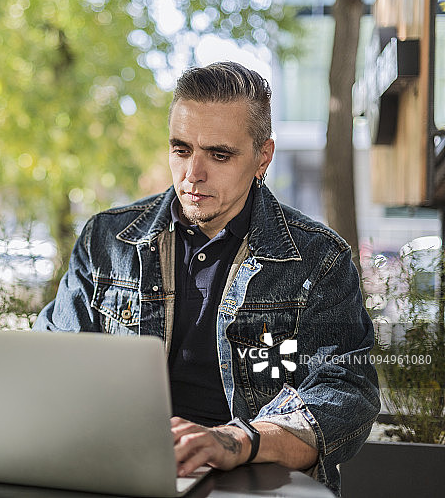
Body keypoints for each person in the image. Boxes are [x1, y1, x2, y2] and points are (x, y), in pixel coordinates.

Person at [33, 61, 380, 495]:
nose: (193, 173)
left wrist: (237, 440)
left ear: (262, 156)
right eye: (181, 149)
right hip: (118, 472)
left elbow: (347, 391)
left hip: (255, 481)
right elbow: (50, 358)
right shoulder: (106, 241)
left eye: (219, 154)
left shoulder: (318, 259)